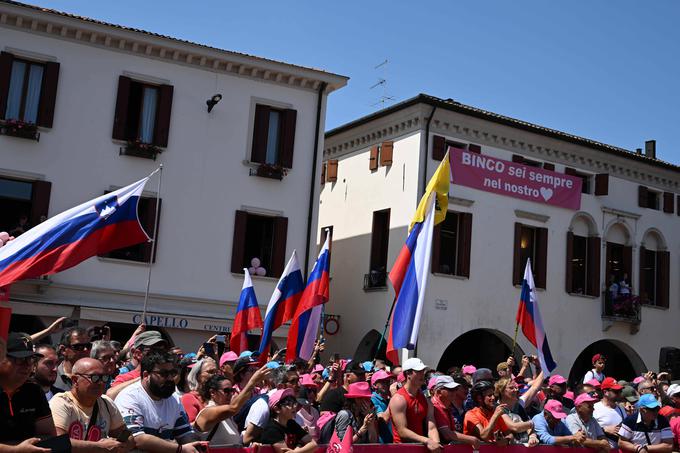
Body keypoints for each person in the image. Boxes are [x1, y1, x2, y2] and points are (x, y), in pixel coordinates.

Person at [115, 351, 207, 452]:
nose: (170, 378)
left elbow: (185, 433)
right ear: (146, 375)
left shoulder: (174, 399)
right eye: (163, 374)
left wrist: (195, 445)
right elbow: (137, 439)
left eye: (172, 373)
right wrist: (180, 449)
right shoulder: (130, 397)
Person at [49, 358, 132, 452]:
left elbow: (129, 438)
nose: (101, 383)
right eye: (95, 378)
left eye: (104, 377)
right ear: (75, 380)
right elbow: (58, 442)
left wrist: (119, 445)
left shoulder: (106, 403)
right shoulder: (62, 402)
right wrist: (100, 446)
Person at [0, 332, 56, 446]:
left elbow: (48, 435)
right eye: (20, 359)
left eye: (30, 359)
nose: (27, 365)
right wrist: (15, 451)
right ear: (1, 358)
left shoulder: (33, 390)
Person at [193, 365, 270, 446]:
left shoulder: (229, 417)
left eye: (232, 390)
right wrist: (252, 382)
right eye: (226, 391)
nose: (230, 394)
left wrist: (249, 446)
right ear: (212, 392)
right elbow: (233, 408)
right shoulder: (207, 413)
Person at [389, 357, 441, 451]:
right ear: (408, 374)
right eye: (419, 371)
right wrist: (428, 441)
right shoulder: (398, 399)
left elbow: (432, 427)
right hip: (402, 450)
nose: (423, 374)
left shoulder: (425, 399)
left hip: (420, 449)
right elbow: (402, 431)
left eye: (423, 371)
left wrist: (436, 445)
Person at [243, 366, 300, 445]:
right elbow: (246, 440)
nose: (299, 385)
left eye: (298, 380)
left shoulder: (292, 404)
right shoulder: (263, 406)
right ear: (280, 386)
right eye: (293, 381)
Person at [107, 331, 167, 400]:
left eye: (162, 351)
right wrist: (144, 378)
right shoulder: (126, 378)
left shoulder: (167, 378)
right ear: (138, 354)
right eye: (153, 351)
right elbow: (110, 396)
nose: (159, 355)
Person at [260, 388, 317, 452]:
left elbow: (314, 444)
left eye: (294, 403)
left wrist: (297, 450)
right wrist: (301, 445)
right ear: (277, 409)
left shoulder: (291, 423)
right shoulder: (272, 429)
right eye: (289, 404)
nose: (294, 407)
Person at [431, 375, 480, 448]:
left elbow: (452, 432)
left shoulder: (447, 407)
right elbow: (447, 435)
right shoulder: (435, 407)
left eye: (456, 389)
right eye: (450, 389)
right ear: (439, 391)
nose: (454, 392)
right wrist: (472, 439)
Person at [494, 374, 544, 445]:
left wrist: (532, 437)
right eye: (511, 388)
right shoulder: (498, 407)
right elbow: (514, 427)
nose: (516, 390)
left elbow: (529, 428)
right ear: (501, 391)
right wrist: (531, 423)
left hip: (524, 446)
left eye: (516, 387)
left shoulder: (518, 406)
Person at [55, 327, 92, 391]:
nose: (85, 350)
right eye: (79, 347)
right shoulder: (52, 378)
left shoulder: (95, 377)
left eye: (88, 346)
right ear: (63, 350)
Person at [594, 376, 627, 448]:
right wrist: (604, 429)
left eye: (620, 391)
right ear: (605, 392)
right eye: (616, 391)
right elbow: (589, 430)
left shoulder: (621, 409)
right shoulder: (595, 408)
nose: (619, 394)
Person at [181, 358, 218, 423]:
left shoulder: (217, 396)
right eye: (210, 372)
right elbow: (193, 428)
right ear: (197, 375)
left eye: (216, 372)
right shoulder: (189, 398)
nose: (215, 375)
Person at [370, 369, 393, 443]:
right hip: (381, 445)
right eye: (383, 382)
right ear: (374, 385)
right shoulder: (372, 399)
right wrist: (394, 399)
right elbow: (383, 419)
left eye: (388, 381)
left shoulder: (388, 399)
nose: (387, 384)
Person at [295, 374, 320, 440]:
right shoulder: (295, 412)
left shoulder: (315, 411)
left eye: (314, 390)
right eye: (308, 390)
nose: (312, 394)